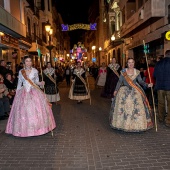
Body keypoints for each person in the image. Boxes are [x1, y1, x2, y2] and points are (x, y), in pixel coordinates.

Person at [5, 56, 56, 137]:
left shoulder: (35, 71)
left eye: (30, 61)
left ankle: (37, 129)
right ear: (24, 62)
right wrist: (17, 93)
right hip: (24, 92)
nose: (28, 62)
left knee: (37, 110)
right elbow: (19, 83)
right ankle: (24, 130)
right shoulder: (21, 71)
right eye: (27, 61)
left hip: (33, 91)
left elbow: (36, 82)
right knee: (23, 111)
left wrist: (41, 83)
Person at [110, 57, 153, 132]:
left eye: (132, 62)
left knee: (137, 107)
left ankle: (137, 125)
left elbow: (140, 82)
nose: (130, 64)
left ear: (134, 63)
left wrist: (147, 85)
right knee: (124, 107)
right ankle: (123, 124)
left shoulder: (137, 72)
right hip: (124, 90)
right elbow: (120, 82)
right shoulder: (123, 72)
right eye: (129, 62)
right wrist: (116, 90)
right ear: (127, 64)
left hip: (135, 90)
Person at [153, 50, 170, 127]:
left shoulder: (158, 63)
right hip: (169, 86)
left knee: (160, 103)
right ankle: (168, 121)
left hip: (159, 86)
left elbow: (154, 75)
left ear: (165, 55)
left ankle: (161, 118)